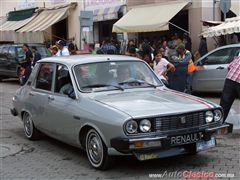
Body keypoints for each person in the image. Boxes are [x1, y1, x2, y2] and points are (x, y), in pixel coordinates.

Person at [220, 56, 240, 122]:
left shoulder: (238, 57)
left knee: (224, 105)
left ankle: (218, 124)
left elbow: (229, 66)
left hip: (230, 79)